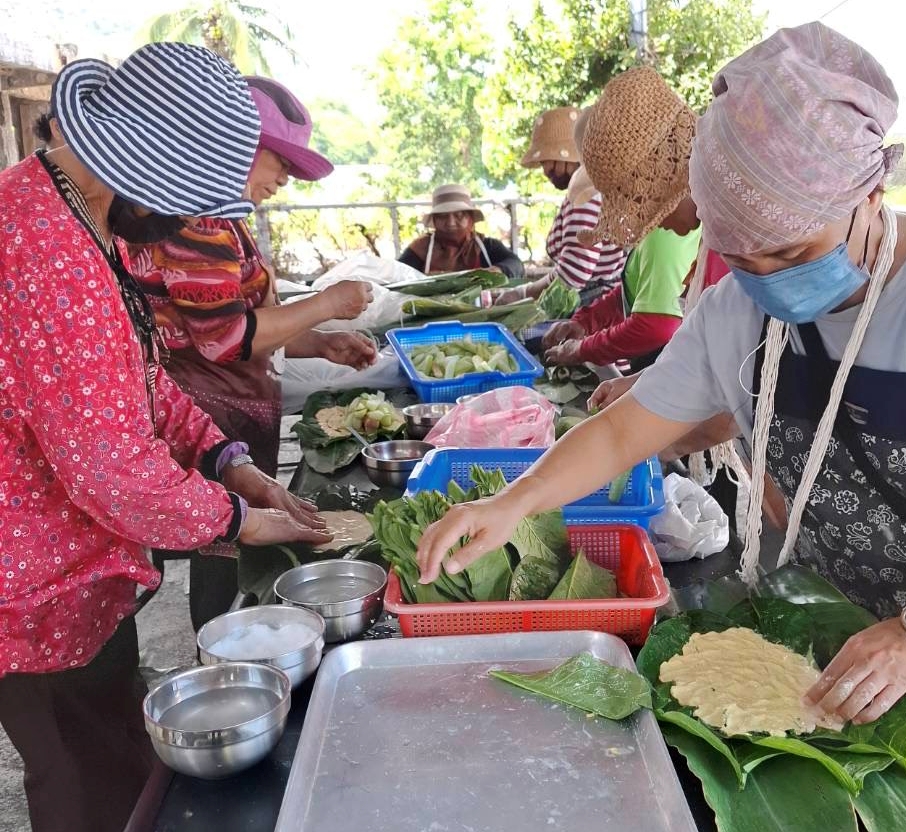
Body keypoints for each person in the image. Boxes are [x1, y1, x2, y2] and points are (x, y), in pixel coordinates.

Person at [415, 23, 906, 831]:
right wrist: (513, 503)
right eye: (741, 258)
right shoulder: (735, 312)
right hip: (822, 659)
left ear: (868, 194)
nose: (767, 279)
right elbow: (622, 431)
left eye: (790, 250)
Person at [0, 43, 333, 832]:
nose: (186, 221)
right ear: (143, 171)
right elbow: (115, 467)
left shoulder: (79, 218)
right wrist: (237, 520)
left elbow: (141, 380)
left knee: (123, 757)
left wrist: (231, 462)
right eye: (184, 201)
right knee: (87, 787)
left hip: (79, 574)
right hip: (32, 589)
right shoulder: (43, 250)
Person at [128, 76, 377, 630]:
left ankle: (223, 637)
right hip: (205, 413)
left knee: (233, 544)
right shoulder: (195, 225)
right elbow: (224, 339)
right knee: (222, 549)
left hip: (236, 409)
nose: (285, 176)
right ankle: (216, 647)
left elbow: (251, 321)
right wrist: (327, 303)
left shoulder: (227, 222)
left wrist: (321, 342)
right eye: (278, 159)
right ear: (230, 141)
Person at [540, 67, 702, 371]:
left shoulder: (666, 236)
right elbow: (637, 292)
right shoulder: (673, 226)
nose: (638, 220)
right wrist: (586, 322)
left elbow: (657, 325)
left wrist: (583, 350)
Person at [492, 106, 627, 308]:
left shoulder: (585, 193)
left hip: (592, 305)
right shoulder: (592, 188)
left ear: (568, 155)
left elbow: (574, 272)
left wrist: (522, 293)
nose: (545, 170)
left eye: (548, 160)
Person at [397, 184, 524, 278]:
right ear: (435, 221)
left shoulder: (487, 246)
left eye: (459, 215)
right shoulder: (421, 248)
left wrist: (498, 270)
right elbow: (396, 274)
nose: (451, 222)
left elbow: (516, 265)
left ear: (470, 219)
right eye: (443, 216)